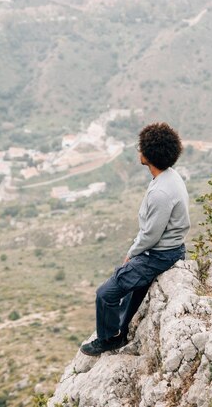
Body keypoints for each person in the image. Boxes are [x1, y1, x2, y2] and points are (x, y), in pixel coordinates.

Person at [80, 122, 190, 356]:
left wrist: (132, 253)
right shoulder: (170, 177)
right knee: (129, 283)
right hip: (171, 249)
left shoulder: (160, 192)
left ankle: (109, 339)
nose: (138, 152)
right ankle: (122, 327)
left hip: (160, 255)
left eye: (141, 149)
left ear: (148, 155)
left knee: (105, 294)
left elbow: (151, 234)